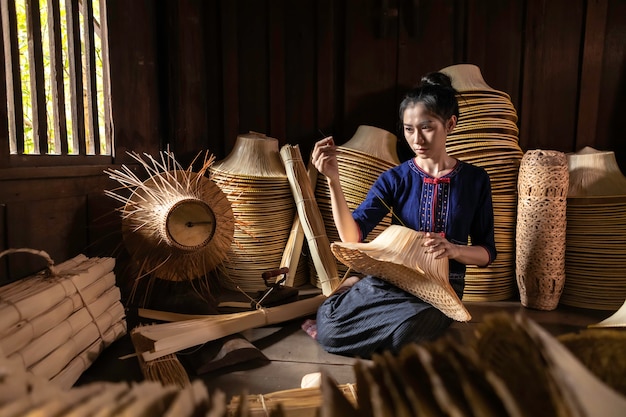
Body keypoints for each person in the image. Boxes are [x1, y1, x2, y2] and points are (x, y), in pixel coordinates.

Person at [310, 71, 497, 358]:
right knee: (331, 332)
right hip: (392, 277)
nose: (416, 138)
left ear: (450, 124)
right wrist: (333, 180)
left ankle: (369, 315)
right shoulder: (394, 178)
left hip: (443, 288)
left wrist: (454, 250)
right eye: (409, 129)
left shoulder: (475, 180)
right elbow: (354, 235)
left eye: (426, 127)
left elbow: (487, 252)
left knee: (405, 339)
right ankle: (356, 295)